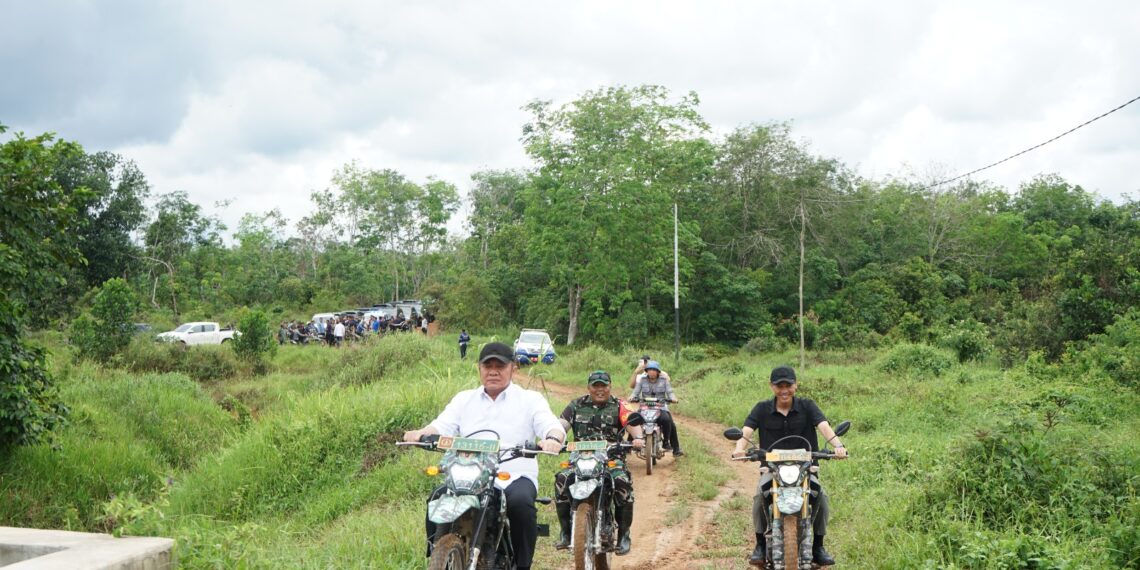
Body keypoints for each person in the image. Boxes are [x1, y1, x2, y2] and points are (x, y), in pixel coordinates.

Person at [403, 342, 566, 570]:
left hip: (514, 474)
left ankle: (522, 565)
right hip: (469, 474)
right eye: (487, 365)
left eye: (500, 365)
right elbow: (441, 426)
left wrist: (553, 439)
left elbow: (551, 425)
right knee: (436, 497)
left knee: (520, 505)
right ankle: (438, 555)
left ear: (513, 368)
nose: (493, 371)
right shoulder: (463, 399)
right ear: (479, 368)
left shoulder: (531, 400)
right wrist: (421, 433)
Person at [731, 365, 848, 566]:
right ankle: (760, 544)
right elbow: (746, 431)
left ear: (796, 385)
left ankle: (818, 546)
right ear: (772, 386)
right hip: (772, 469)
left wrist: (838, 446)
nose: (784, 390)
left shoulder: (808, 406)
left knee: (821, 496)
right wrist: (739, 448)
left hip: (805, 468)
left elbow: (824, 426)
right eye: (779, 385)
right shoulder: (761, 409)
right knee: (760, 495)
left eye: (788, 385)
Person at [553, 371, 644, 555]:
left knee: (621, 482)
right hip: (579, 456)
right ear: (589, 387)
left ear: (610, 386)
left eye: (604, 385)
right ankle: (566, 531)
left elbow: (632, 424)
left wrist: (638, 439)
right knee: (562, 479)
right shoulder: (576, 405)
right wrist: (554, 438)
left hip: (611, 457)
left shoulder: (620, 405)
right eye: (596, 385)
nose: (600, 389)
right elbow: (560, 425)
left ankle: (624, 534)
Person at [629, 360, 683, 456]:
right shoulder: (642, 380)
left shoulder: (664, 380)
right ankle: (630, 445)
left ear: (658, 372)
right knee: (634, 420)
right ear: (646, 371)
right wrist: (632, 397)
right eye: (649, 370)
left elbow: (670, 392)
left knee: (669, 421)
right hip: (645, 407)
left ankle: (669, 444)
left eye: (654, 370)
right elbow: (635, 392)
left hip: (660, 407)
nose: (652, 372)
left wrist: (673, 398)